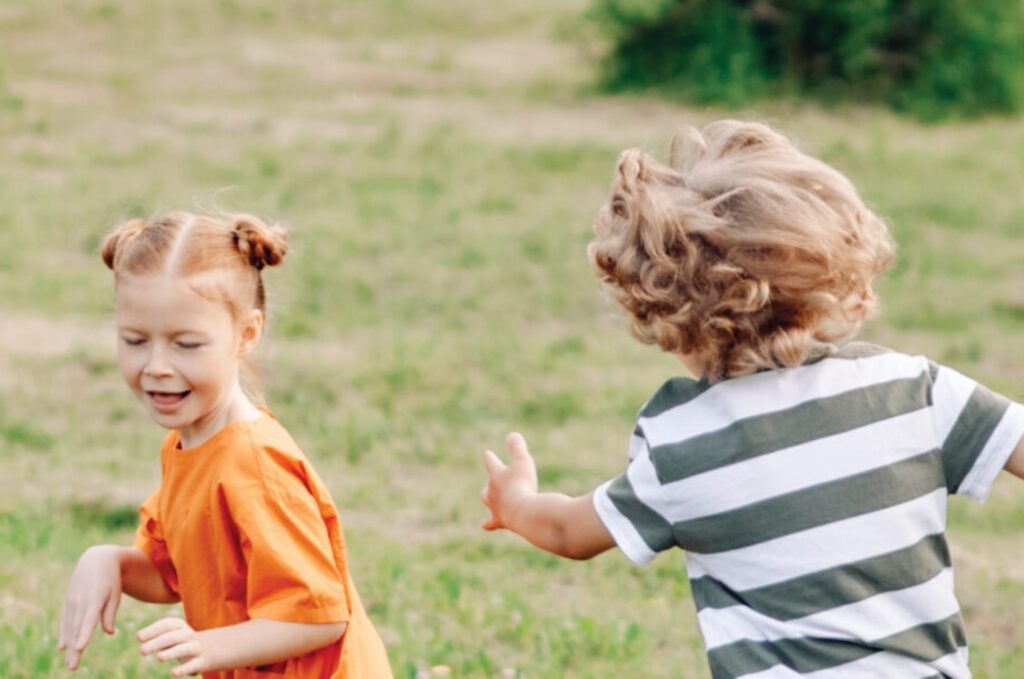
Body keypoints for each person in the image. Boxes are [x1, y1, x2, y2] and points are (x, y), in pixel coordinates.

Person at [480, 120, 1024, 678]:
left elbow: (570, 532)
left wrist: (515, 503)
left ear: (667, 314)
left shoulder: (685, 446)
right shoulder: (911, 390)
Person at [58, 212, 393, 678]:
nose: (156, 365)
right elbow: (172, 575)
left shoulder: (254, 462)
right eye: (134, 340)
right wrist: (107, 561)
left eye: (187, 344)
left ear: (246, 335)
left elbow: (319, 616)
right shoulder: (186, 446)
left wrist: (211, 646)